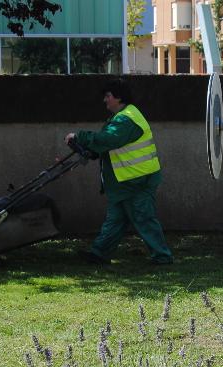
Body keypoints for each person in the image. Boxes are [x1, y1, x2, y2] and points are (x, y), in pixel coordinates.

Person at [65, 79, 173, 266]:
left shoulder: (126, 119)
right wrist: (87, 149)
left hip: (137, 180)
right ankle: (99, 253)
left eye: (108, 96)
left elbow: (108, 139)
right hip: (127, 180)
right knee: (115, 220)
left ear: (119, 97)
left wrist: (79, 136)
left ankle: (162, 257)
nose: (105, 100)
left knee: (143, 218)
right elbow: (106, 145)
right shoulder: (122, 117)